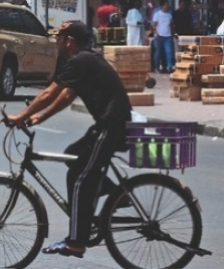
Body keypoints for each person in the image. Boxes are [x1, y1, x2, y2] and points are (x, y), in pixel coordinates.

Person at [7, 21, 131, 259]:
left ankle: (76, 242)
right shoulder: (84, 61)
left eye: (60, 39)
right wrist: (38, 118)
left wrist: (21, 117)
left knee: (81, 182)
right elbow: (66, 96)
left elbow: (48, 93)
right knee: (74, 160)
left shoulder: (80, 61)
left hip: (112, 127)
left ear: (70, 42)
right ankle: (117, 195)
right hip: (108, 125)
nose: (57, 43)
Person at [151, 0, 174, 73]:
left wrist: (173, 33)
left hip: (168, 35)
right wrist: (155, 32)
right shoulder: (157, 14)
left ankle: (169, 66)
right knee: (158, 52)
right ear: (162, 6)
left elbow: (171, 25)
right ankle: (156, 67)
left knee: (169, 51)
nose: (167, 6)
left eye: (168, 5)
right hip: (159, 36)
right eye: (166, 5)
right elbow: (154, 25)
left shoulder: (169, 15)